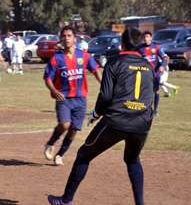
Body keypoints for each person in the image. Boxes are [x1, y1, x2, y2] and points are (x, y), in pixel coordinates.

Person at [47, 27, 154, 205]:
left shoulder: (114, 63)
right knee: (133, 160)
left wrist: (96, 113)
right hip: (141, 124)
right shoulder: (148, 66)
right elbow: (150, 98)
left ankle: (66, 201)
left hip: (116, 122)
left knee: (84, 155)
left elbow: (105, 96)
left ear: (122, 43)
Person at [43, 26, 102, 166]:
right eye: (64, 36)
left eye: (69, 35)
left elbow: (96, 70)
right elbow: (47, 79)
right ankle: (50, 143)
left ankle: (59, 155)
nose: (66, 38)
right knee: (65, 124)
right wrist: (55, 92)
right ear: (60, 39)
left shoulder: (83, 55)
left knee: (74, 129)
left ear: (75, 39)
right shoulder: (56, 58)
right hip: (63, 98)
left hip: (80, 99)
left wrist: (104, 84)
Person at [139, 31, 169, 117]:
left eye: (147, 37)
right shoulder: (140, 48)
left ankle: (155, 110)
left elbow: (163, 58)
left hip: (155, 73)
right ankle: (147, 109)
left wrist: (162, 66)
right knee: (146, 92)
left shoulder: (156, 46)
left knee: (156, 91)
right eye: (144, 37)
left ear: (151, 38)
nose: (146, 39)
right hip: (145, 74)